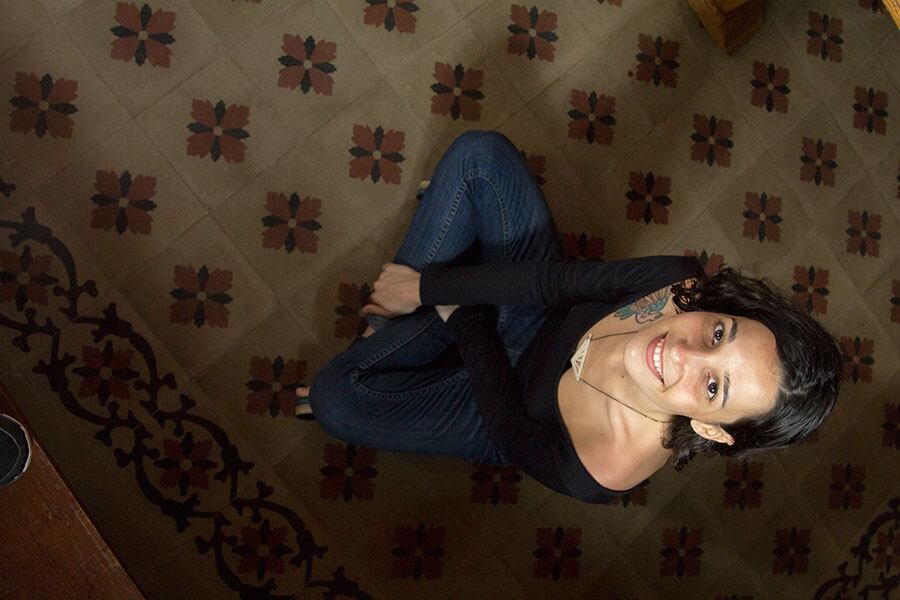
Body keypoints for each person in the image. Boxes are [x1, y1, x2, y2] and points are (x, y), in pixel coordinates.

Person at [294, 130, 842, 504]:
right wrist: (427, 288)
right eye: (719, 333)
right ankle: (411, 309)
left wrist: (464, 317)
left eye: (714, 386)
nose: (682, 351)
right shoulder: (680, 286)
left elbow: (507, 427)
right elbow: (553, 283)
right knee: (480, 157)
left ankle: (408, 312)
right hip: (537, 312)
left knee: (334, 400)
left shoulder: (605, 470)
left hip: (497, 404)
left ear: (709, 429)